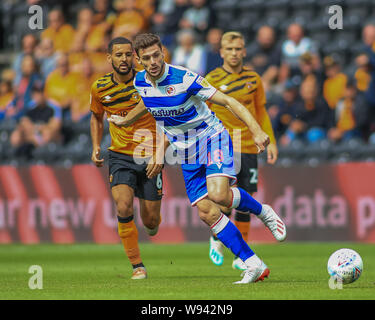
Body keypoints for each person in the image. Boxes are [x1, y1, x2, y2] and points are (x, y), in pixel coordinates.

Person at [108, 33, 286, 284]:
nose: (153, 61)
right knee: (206, 212)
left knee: (220, 195)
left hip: (212, 137)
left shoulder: (184, 78)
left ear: (163, 53)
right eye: (146, 58)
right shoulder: (140, 82)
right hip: (186, 151)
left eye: (157, 55)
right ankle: (253, 263)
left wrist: (257, 130)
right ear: (139, 60)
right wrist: (127, 120)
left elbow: (227, 101)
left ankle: (263, 211)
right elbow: (150, 104)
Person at [90, 37, 165, 280]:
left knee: (151, 223)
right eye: (118, 55)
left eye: (128, 55)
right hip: (120, 154)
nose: (124, 59)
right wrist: (95, 146)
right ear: (109, 58)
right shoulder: (99, 87)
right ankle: (137, 265)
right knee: (122, 204)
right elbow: (96, 117)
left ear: (134, 57)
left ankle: (152, 221)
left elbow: (162, 111)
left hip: (149, 154)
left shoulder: (147, 80)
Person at [205, 31, 278, 271]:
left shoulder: (254, 79)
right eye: (229, 49)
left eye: (238, 49)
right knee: (225, 200)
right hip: (223, 146)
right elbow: (203, 112)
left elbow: (261, 111)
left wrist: (272, 142)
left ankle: (241, 255)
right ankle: (217, 238)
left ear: (244, 51)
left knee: (246, 199)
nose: (234, 53)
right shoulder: (211, 78)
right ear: (221, 52)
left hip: (248, 147)